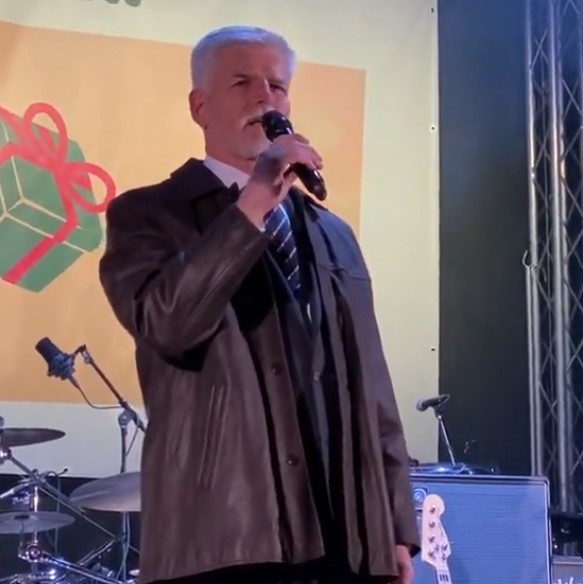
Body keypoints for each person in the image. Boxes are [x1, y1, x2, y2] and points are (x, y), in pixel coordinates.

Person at [98, 25, 419, 584]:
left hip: (344, 537)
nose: (264, 98)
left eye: (277, 86)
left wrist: (394, 525)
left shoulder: (333, 233)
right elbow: (166, 323)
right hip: (225, 539)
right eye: (242, 82)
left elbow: (372, 386)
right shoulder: (148, 214)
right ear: (200, 107)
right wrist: (251, 206)